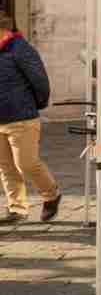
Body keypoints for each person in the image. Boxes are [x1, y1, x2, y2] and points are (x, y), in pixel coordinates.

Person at [0, 14, 59, 224]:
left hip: (21, 118)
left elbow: (40, 80)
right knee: (5, 166)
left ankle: (51, 194)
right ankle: (17, 208)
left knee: (26, 163)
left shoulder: (20, 49)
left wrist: (35, 105)